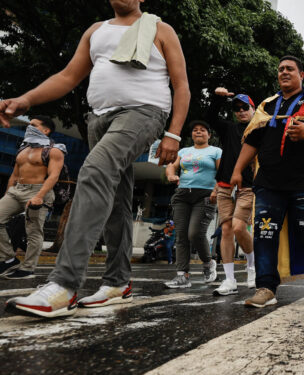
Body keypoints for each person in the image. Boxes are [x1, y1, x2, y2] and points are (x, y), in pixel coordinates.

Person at [3, 0, 188, 318]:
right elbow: (68, 76)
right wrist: (26, 99)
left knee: (94, 171)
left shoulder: (160, 29)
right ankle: (118, 282)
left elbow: (181, 84)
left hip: (144, 112)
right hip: (98, 120)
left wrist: (173, 134)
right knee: (115, 198)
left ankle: (63, 285)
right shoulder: (96, 31)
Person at [231, 55, 304, 308]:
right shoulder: (267, 105)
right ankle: (266, 287)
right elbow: (252, 142)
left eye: (290, 69)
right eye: (280, 69)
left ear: (301, 75)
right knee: (264, 233)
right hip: (269, 182)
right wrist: (237, 171)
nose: (284, 72)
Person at [0, 116, 65, 279]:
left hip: (38, 191)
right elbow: (14, 175)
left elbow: (53, 176)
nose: (29, 127)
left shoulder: (54, 150)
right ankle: (8, 258)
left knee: (33, 232)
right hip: (17, 190)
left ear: (45, 130)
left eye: (33, 125)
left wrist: (40, 196)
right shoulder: (23, 149)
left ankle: (28, 268)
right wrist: (8, 193)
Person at [207, 87, 257, 296]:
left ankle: (252, 265)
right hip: (225, 185)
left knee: (238, 228)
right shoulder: (229, 128)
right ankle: (229, 280)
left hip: (248, 186)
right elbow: (210, 117)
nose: (241, 111)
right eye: (237, 109)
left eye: (245, 107)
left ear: (253, 109)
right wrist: (217, 99)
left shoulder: (260, 129)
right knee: (226, 230)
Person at [163, 120, 221, 288]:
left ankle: (208, 263)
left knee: (195, 233)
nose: (198, 132)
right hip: (182, 194)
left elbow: (222, 173)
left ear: (209, 135)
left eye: (202, 130)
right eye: (195, 130)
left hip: (205, 195)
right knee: (181, 235)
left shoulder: (216, 151)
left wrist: (216, 191)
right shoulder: (184, 151)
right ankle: (182, 275)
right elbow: (171, 166)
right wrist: (171, 175)